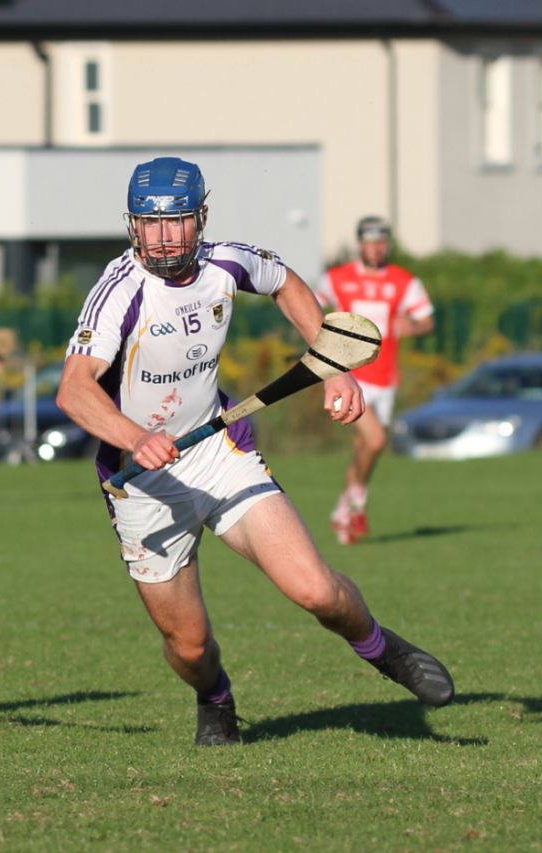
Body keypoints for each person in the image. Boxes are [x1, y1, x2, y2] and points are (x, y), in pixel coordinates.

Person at [55, 157, 453, 746]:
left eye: (179, 223)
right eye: (150, 224)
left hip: (219, 450)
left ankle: (380, 647)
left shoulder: (226, 262)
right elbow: (74, 389)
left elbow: (287, 283)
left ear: (202, 219)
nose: (164, 238)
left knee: (315, 590)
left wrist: (331, 363)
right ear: (132, 225)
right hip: (141, 480)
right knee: (188, 646)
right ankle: (214, 699)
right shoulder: (120, 293)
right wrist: (136, 437)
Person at [316, 216, 435, 544]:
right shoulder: (337, 278)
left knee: (365, 446)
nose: (375, 248)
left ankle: (344, 511)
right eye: (369, 242)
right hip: (348, 377)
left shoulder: (402, 280)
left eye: (381, 242)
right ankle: (357, 502)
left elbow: (426, 320)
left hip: (385, 379)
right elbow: (310, 309)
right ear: (360, 245)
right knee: (377, 440)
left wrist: (411, 326)